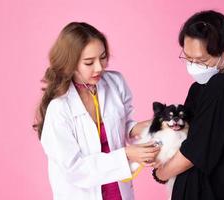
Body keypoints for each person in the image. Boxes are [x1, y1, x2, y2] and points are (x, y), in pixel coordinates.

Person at [33, 22, 159, 200]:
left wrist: (143, 128)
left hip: (117, 190)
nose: (99, 67)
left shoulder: (115, 82)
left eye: (103, 57)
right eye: (89, 62)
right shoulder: (59, 108)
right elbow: (74, 170)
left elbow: (122, 123)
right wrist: (127, 154)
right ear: (70, 63)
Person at [153, 10, 224, 200]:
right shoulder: (200, 87)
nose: (193, 65)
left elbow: (194, 151)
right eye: (188, 58)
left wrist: (161, 173)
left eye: (202, 60)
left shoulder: (221, 87)